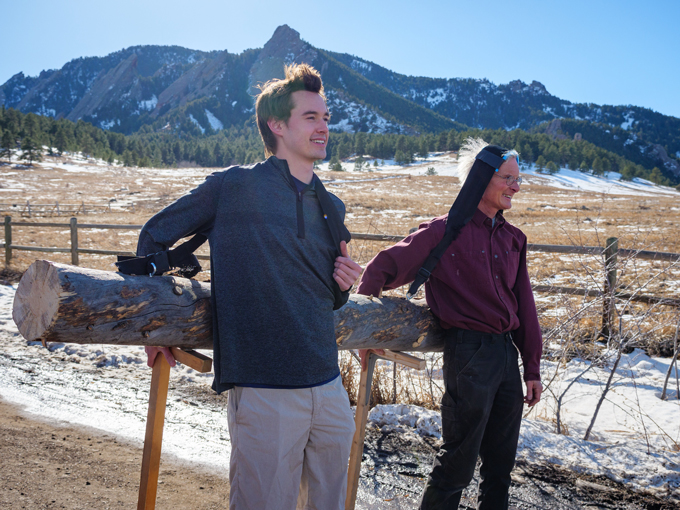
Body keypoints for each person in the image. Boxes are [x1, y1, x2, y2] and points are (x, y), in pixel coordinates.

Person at [136, 64, 362, 510]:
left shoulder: (331, 207)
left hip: (330, 389)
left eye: (326, 118)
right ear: (277, 125)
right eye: (311, 117)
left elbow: (327, 298)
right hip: (264, 391)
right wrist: (156, 326)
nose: (323, 127)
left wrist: (343, 286)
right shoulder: (234, 187)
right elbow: (155, 235)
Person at [356, 137, 542, 510]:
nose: (515, 187)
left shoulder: (513, 238)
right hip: (468, 353)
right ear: (481, 178)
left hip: (506, 356)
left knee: (501, 467)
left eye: (518, 179)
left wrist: (532, 368)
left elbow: (524, 306)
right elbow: (383, 268)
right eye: (507, 178)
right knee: (458, 463)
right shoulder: (445, 231)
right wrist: (367, 329)